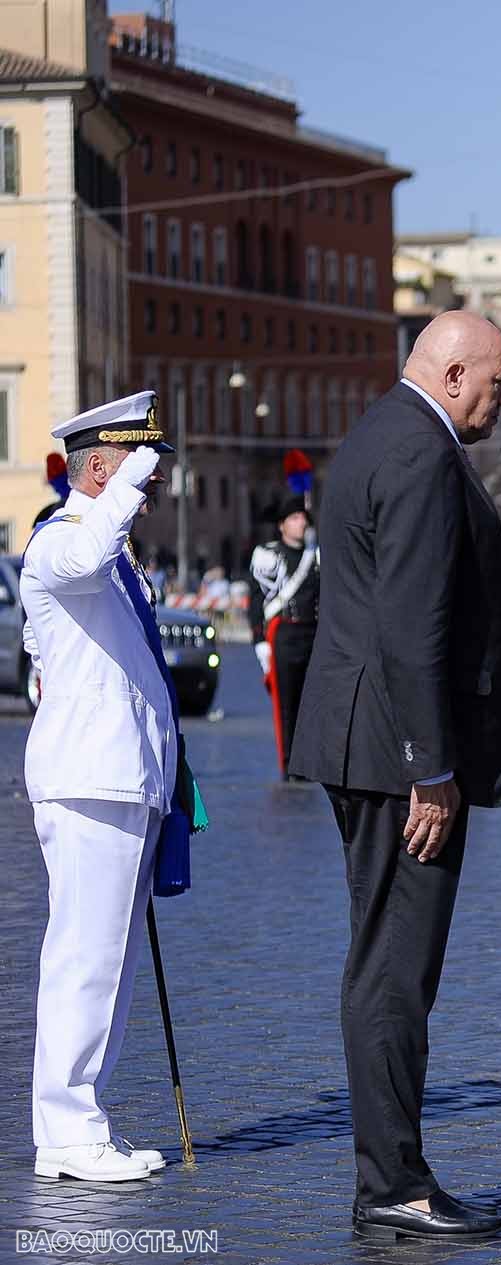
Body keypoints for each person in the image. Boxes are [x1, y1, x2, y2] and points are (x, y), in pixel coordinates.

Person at [289, 311, 501, 1240]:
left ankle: (392, 1172)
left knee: (385, 959)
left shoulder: (384, 428)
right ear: (455, 372)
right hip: (396, 759)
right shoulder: (421, 451)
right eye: (499, 383)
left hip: (370, 744)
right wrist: (433, 770)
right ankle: (395, 1182)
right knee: (394, 969)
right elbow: (411, 626)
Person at [23, 390, 184, 1183]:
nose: (147, 493)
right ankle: (65, 1127)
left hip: (121, 777)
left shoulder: (111, 560)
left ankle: (81, 1120)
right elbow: (77, 559)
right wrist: (122, 487)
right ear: (97, 468)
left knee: (108, 962)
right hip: (90, 779)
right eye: (136, 473)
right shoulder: (62, 539)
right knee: (85, 957)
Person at [248, 496, 320, 777]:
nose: (301, 523)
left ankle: (310, 761)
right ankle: (290, 764)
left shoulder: (316, 555)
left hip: (312, 633)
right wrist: (260, 641)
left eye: (303, 518)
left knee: (311, 703)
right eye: (294, 518)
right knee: (286, 704)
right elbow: (256, 600)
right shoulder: (268, 556)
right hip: (284, 634)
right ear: (282, 525)